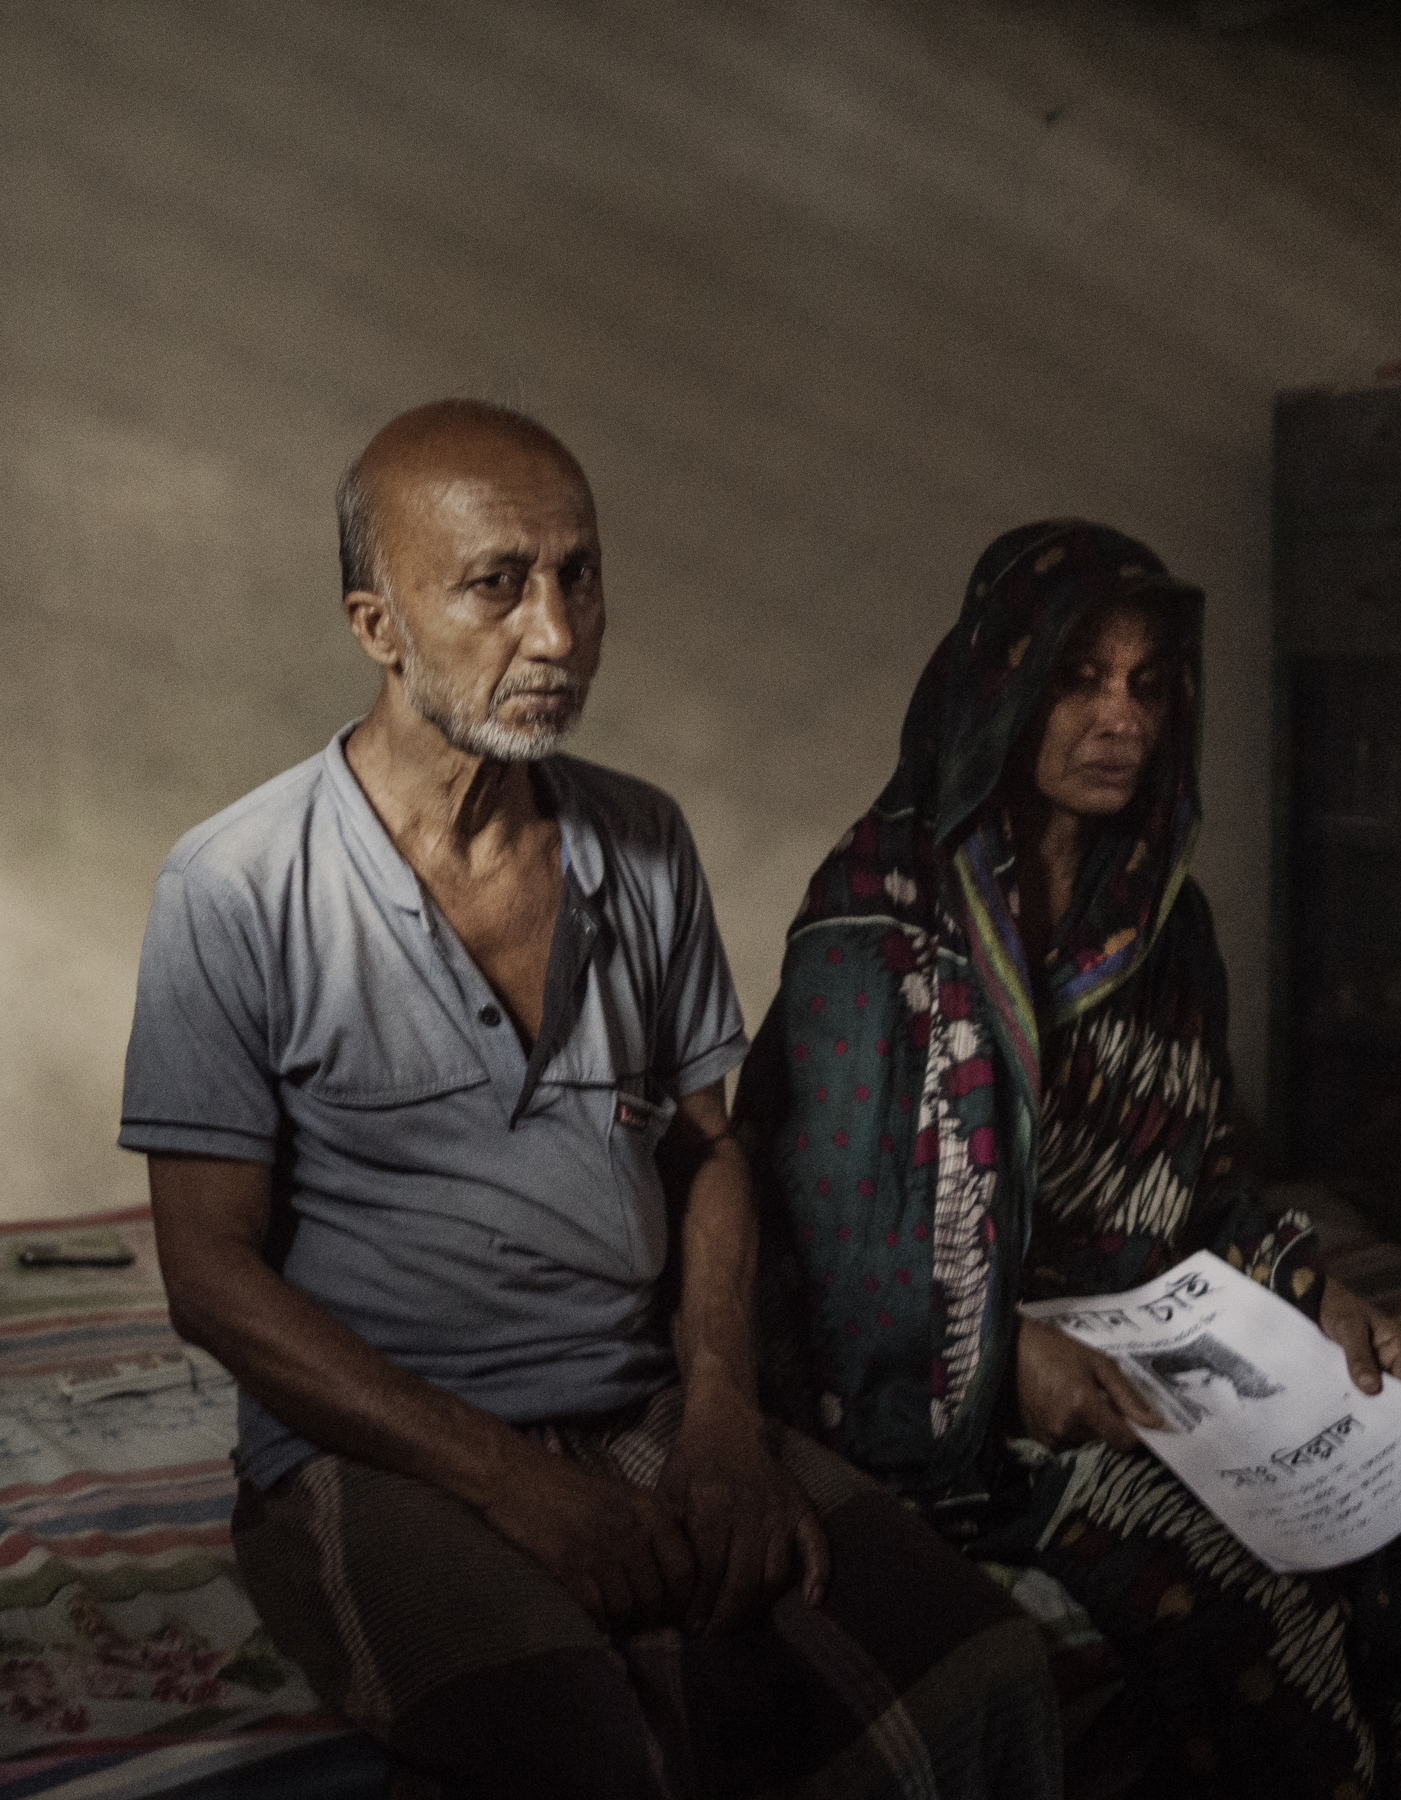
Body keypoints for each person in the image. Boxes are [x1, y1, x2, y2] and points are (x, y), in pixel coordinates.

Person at [118, 402, 1057, 1800]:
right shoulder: (236, 885)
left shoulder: (644, 843)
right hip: (378, 1447)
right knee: (593, 1754)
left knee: (995, 1678)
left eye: (581, 576)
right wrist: (509, 1483)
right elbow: (207, 1274)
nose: (557, 635)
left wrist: (727, 1419)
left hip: (640, 1396)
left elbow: (709, 1152)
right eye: (498, 584)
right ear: (377, 624)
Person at [734, 520, 1401, 1800]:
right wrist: (1010, 1360)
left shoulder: (1162, 918)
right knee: (1240, 1587)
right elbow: (841, 1254)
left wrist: (1317, 1293)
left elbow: (1196, 1186)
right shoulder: (875, 929)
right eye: (1080, 678)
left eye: (1149, 684)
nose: (1122, 720)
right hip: (935, 1360)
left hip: (1146, 1314)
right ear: (999, 686)